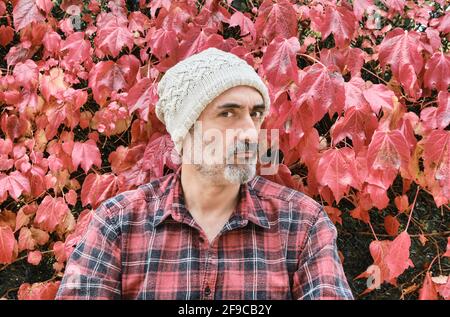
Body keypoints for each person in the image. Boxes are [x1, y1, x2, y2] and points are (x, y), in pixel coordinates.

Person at [55, 47, 353, 300]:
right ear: (184, 131)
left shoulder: (301, 224)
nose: (251, 132)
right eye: (228, 114)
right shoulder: (117, 224)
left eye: (256, 114)